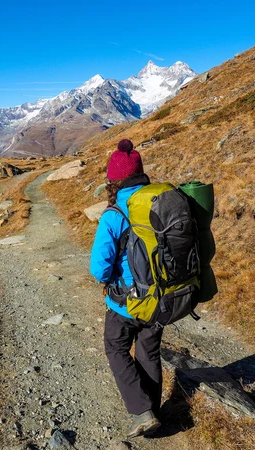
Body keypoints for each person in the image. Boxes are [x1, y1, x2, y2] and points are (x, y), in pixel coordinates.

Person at [90, 138, 162, 437]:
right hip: (161, 296)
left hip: (126, 302)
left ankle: (142, 411)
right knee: (149, 353)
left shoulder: (115, 214)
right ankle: (154, 411)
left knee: (116, 347)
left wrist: (107, 282)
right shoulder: (158, 202)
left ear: (113, 180)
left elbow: (99, 267)